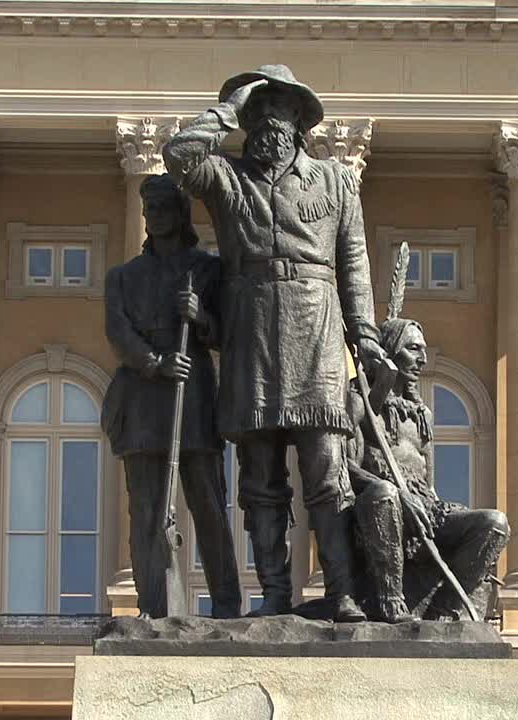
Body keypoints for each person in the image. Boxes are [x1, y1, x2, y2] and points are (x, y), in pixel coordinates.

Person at [163, 65, 387, 621]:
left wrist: (363, 332)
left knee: (326, 469)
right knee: (260, 477)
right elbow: (178, 157)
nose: (266, 121)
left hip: (316, 323)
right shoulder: (226, 177)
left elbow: (352, 263)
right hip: (251, 327)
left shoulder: (335, 180)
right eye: (256, 112)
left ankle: (341, 590)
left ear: (299, 120)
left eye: (277, 109)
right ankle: (276, 592)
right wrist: (228, 108)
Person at [100, 174, 242, 619]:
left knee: (208, 503)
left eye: (163, 208)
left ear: (182, 215)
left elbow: (229, 334)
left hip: (192, 392)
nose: (154, 217)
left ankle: (225, 603)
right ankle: (155, 606)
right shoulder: (123, 277)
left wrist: (200, 318)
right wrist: (153, 362)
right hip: (142, 396)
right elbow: (118, 332)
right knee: (146, 510)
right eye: (150, 210)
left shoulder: (206, 270)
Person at [347, 308, 509, 622]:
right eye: (413, 349)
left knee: (494, 523)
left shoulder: (423, 415)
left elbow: (428, 480)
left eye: (423, 350)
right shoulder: (359, 402)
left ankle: (442, 612)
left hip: (422, 509)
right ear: (389, 354)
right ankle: (391, 602)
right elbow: (345, 469)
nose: (422, 359)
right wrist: (398, 494)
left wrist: (431, 507)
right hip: (376, 508)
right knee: (384, 495)